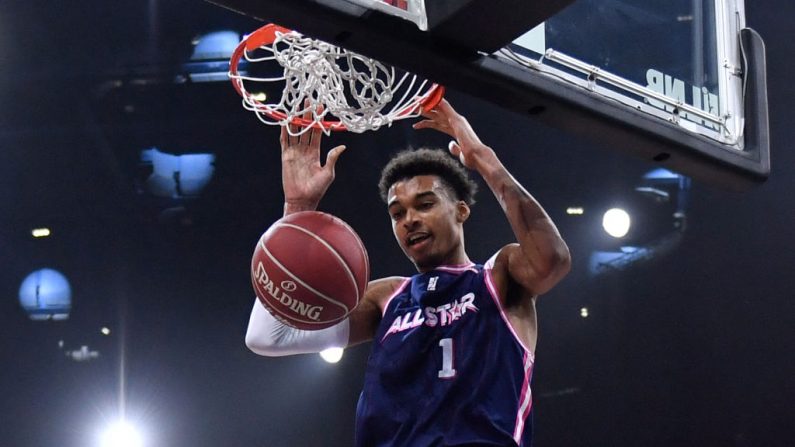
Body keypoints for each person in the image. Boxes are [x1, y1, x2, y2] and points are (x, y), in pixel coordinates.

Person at [245, 99, 571, 447]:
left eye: (425, 204)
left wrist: (482, 158)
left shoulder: (498, 276)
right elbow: (268, 337)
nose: (410, 220)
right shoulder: (387, 297)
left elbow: (552, 259)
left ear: (461, 210)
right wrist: (296, 214)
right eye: (397, 213)